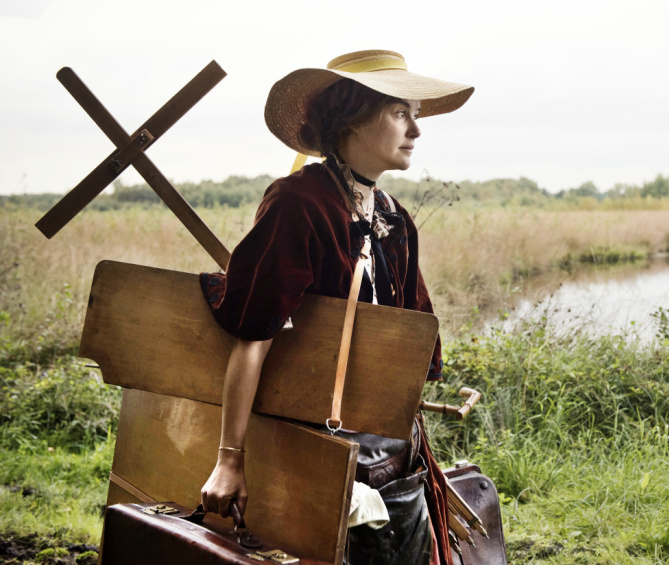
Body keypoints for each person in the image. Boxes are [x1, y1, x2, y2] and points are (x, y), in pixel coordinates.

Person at [197, 50, 473, 565]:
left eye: (415, 113)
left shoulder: (396, 217)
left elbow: (404, 344)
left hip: (397, 457)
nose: (416, 129)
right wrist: (230, 461)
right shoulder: (300, 204)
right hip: (316, 452)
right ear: (352, 118)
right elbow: (253, 337)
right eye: (399, 113)